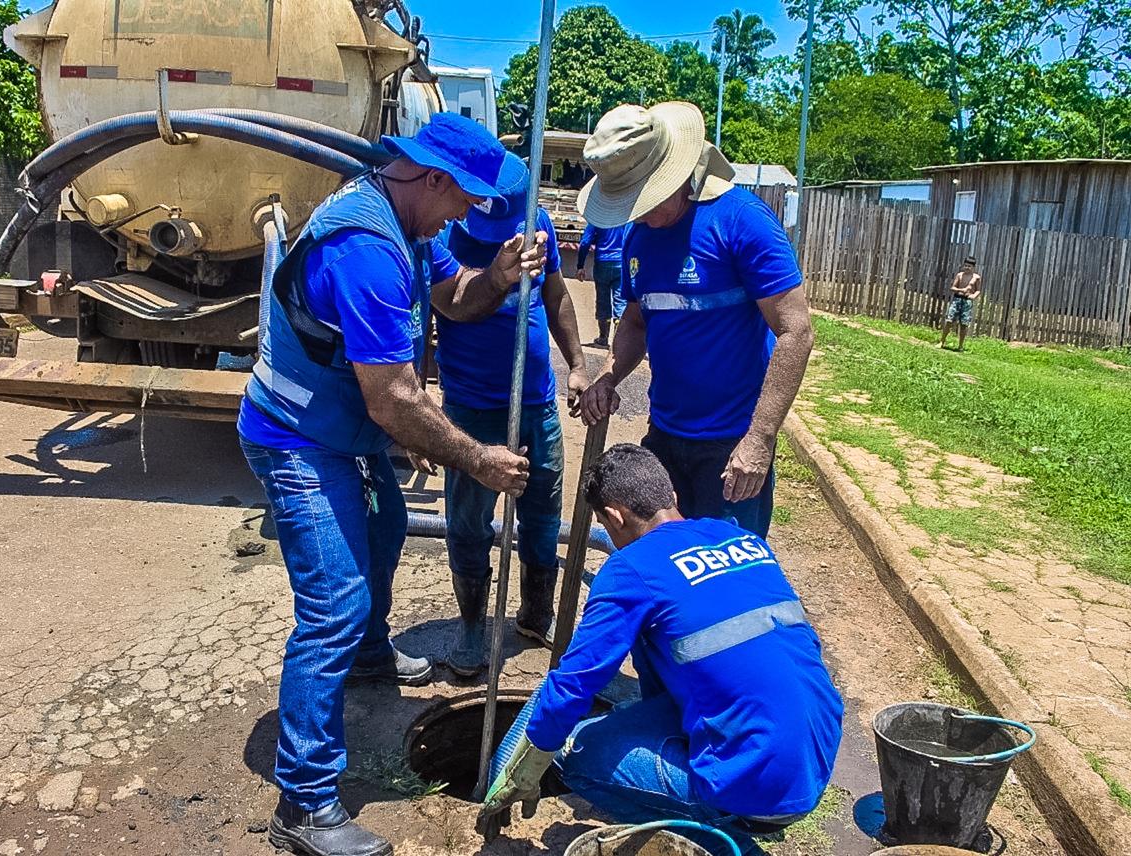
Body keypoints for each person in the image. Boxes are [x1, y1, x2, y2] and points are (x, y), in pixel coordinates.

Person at [239, 113, 548, 856]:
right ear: (435, 180)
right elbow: (396, 399)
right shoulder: (367, 249)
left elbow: (455, 298)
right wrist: (476, 458)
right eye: (466, 201)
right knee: (332, 604)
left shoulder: (410, 225)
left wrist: (500, 276)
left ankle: (370, 655)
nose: (468, 216)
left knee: (383, 532)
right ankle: (305, 805)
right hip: (299, 439)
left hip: (348, 434)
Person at [478, 444, 844, 855]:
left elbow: (574, 686)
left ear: (613, 517)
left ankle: (724, 841)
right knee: (666, 653)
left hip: (760, 783)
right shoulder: (738, 536)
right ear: (672, 496)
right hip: (815, 752)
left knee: (574, 751)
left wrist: (527, 765)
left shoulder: (631, 569)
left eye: (604, 522)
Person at [576, 103, 814, 538]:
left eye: (643, 198)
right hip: (665, 436)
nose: (636, 213)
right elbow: (636, 322)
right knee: (664, 564)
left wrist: (759, 439)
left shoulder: (741, 221)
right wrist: (608, 377)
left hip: (731, 448)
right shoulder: (639, 238)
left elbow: (795, 331)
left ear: (677, 175)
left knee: (725, 572)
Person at [425, 153, 589, 676]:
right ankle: (474, 628)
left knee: (543, 514)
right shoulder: (444, 235)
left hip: (535, 403)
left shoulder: (536, 222)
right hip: (472, 410)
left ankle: (535, 613)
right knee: (469, 524)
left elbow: (557, 295)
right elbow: (435, 312)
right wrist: (419, 395)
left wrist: (579, 365)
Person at [576, 221, 627, 348]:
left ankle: (603, 337)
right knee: (620, 302)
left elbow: (585, 242)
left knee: (602, 300)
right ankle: (619, 341)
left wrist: (580, 265)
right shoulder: (625, 218)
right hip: (621, 263)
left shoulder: (597, 219)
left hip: (602, 263)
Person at [940, 256, 982, 351]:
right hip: (957, 299)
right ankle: (942, 341)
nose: (967, 268)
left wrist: (974, 296)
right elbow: (953, 288)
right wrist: (960, 290)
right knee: (949, 321)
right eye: (966, 265)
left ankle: (960, 346)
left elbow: (978, 290)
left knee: (964, 324)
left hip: (967, 301)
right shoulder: (960, 275)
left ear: (973, 267)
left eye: (969, 266)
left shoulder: (976, 277)